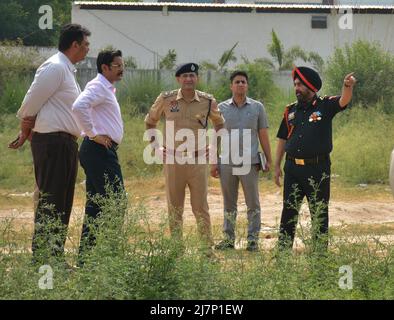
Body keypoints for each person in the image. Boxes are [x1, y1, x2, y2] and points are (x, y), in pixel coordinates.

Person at [12, 23, 91, 264]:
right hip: (52, 142)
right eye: (86, 45)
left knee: (63, 201)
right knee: (51, 201)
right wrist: (26, 127)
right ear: (74, 44)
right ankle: (44, 260)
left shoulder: (67, 70)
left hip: (65, 143)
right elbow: (30, 102)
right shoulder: (55, 67)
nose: (88, 49)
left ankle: (54, 257)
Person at [144, 63, 224, 255]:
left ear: (197, 78)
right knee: (174, 207)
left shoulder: (207, 101)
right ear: (178, 79)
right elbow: (150, 121)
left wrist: (213, 148)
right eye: (185, 76)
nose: (189, 79)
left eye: (192, 75)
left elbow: (219, 125)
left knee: (201, 207)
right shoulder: (166, 99)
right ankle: (177, 251)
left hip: (197, 161)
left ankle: (207, 251)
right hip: (173, 161)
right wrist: (156, 147)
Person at [274, 66, 356, 252]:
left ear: (311, 86)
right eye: (295, 84)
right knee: (289, 213)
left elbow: (343, 100)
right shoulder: (290, 111)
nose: (297, 88)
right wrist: (277, 166)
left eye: (300, 85)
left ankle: (319, 259)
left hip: (317, 169)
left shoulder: (324, 106)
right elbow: (282, 138)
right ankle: (282, 256)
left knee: (319, 213)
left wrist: (347, 86)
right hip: (292, 169)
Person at [72, 49, 125, 266]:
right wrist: (93, 134)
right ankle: (110, 258)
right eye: (117, 66)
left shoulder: (106, 88)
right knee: (116, 202)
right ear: (104, 67)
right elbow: (78, 106)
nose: (122, 69)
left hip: (99, 152)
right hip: (98, 151)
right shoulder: (98, 86)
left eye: (123, 65)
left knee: (97, 205)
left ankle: (86, 261)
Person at [213, 70, 272, 252]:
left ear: (247, 85)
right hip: (227, 163)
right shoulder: (220, 108)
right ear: (231, 86)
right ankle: (228, 240)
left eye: (243, 82)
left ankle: (252, 241)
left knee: (253, 203)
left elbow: (263, 134)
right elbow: (216, 136)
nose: (240, 84)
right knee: (229, 204)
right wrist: (214, 162)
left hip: (250, 162)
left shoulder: (257, 108)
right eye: (237, 82)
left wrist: (269, 159)